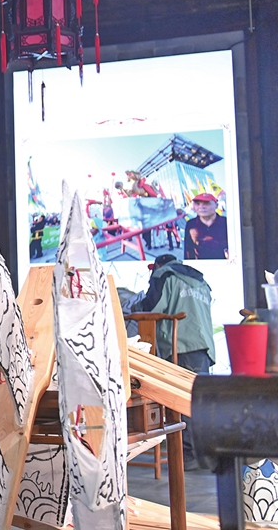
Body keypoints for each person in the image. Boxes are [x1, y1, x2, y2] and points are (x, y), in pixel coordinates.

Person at [139, 253, 216, 464]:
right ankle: (204, 457)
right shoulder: (201, 281)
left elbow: (150, 308)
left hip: (179, 345)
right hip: (203, 346)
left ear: (158, 265)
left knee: (181, 403)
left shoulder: (165, 275)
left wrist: (134, 305)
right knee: (198, 402)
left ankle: (188, 457)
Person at [183, 192, 229, 260]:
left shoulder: (226, 222)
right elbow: (188, 249)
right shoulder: (191, 224)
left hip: (224, 264)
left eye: (206, 203)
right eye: (198, 204)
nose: (201, 207)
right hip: (200, 264)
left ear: (216, 205)